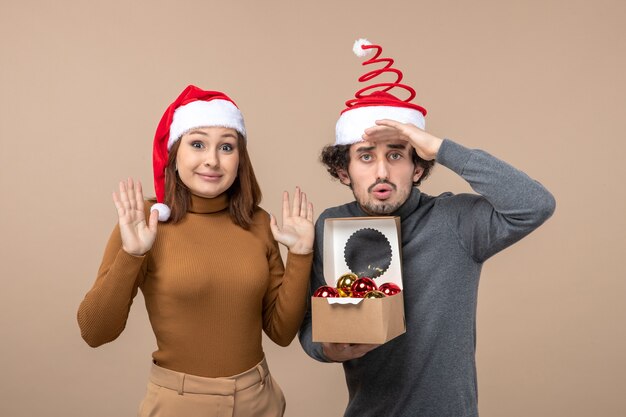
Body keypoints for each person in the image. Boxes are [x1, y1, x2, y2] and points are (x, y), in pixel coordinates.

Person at [298, 39, 556, 417]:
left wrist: (441, 147)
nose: (382, 171)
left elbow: (535, 204)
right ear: (343, 171)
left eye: (396, 155)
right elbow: (309, 324)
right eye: (366, 157)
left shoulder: (456, 220)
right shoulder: (331, 226)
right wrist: (325, 349)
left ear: (418, 167)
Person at [78, 85, 314, 417]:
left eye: (227, 147)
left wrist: (301, 255)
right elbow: (94, 332)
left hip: (259, 399)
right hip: (179, 404)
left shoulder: (258, 222)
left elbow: (281, 332)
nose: (212, 160)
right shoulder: (145, 222)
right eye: (198, 144)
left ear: (239, 158)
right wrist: (132, 254)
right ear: (174, 154)